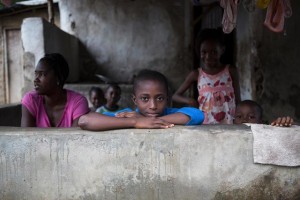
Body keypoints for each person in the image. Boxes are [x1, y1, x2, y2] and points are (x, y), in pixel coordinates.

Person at [79, 70, 205, 131]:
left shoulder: (171, 113)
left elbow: (198, 115)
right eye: (145, 98)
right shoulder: (128, 115)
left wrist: (146, 120)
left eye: (160, 98)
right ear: (135, 99)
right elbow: (85, 121)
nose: (153, 106)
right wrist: (135, 122)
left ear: (167, 98)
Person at [172, 28, 240, 124]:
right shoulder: (196, 74)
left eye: (214, 52)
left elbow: (238, 99)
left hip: (229, 121)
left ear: (222, 50)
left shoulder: (230, 71)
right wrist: (190, 101)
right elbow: (175, 96)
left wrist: (239, 119)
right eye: (204, 52)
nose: (208, 56)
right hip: (206, 123)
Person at [21, 53, 90, 127]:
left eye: (42, 74)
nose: (36, 79)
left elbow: (75, 137)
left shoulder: (77, 102)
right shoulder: (31, 100)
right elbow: (26, 136)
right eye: (36, 74)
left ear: (58, 78)